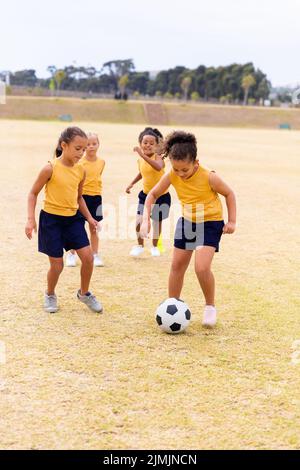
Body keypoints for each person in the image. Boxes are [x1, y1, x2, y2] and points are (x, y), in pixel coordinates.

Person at [140, 131, 236, 327]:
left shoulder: (209, 176)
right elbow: (152, 195)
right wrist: (145, 219)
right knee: (177, 266)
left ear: (196, 163)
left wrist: (232, 221)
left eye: (185, 170)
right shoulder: (172, 175)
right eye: (176, 169)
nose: (180, 174)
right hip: (187, 222)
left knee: (201, 268)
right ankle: (172, 305)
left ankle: (210, 306)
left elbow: (229, 193)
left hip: (210, 223)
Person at [25, 127, 103, 314]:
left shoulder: (81, 170)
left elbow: (79, 197)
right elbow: (33, 193)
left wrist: (90, 218)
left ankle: (84, 293)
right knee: (57, 265)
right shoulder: (50, 168)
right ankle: (50, 294)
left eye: (83, 149)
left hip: (73, 220)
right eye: (78, 148)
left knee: (88, 258)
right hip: (51, 221)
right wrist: (30, 220)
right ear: (64, 145)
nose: (82, 153)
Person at [126, 127, 171, 257]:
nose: (148, 145)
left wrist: (142, 155)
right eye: (145, 142)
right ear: (140, 143)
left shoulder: (159, 157)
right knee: (139, 222)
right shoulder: (140, 160)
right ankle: (140, 245)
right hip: (145, 195)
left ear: (157, 145)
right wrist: (132, 183)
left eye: (152, 143)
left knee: (157, 223)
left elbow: (157, 168)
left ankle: (155, 246)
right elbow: (142, 172)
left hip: (161, 196)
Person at [66, 132, 105, 267]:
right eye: (88, 144)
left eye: (94, 144)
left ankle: (95, 254)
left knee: (94, 228)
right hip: (81, 198)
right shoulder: (80, 163)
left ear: (98, 145)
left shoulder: (101, 162)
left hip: (96, 198)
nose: (91, 147)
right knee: (77, 227)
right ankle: (71, 254)